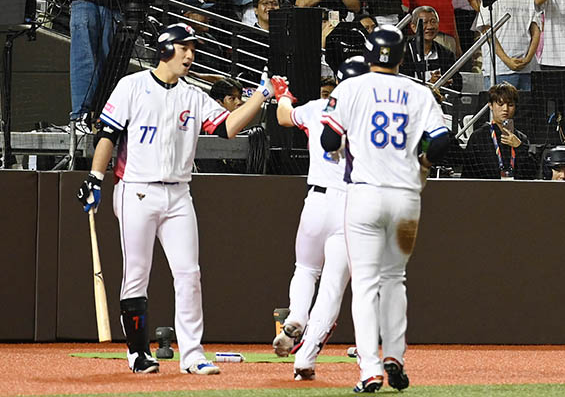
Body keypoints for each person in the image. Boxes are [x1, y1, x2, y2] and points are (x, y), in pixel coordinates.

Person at [76, 23, 288, 374]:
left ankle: (192, 354)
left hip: (179, 193)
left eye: (193, 49)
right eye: (183, 48)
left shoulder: (193, 95)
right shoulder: (132, 86)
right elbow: (108, 134)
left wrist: (261, 96)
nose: (189, 55)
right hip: (137, 190)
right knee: (137, 274)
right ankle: (138, 353)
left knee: (189, 274)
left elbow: (228, 127)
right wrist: (95, 177)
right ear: (164, 50)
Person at [319, 25, 453, 393]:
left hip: (364, 195)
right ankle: (395, 355)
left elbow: (329, 138)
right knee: (395, 279)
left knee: (364, 285)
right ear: (400, 55)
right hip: (406, 197)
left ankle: (370, 370)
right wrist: (423, 158)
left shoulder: (350, 87)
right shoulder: (418, 91)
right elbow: (443, 141)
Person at [273, 56, 371, 380]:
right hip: (351, 205)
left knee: (305, 269)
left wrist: (283, 93)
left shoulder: (318, 107)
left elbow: (284, 117)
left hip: (316, 200)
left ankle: (297, 315)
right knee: (331, 288)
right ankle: (307, 357)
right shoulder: (372, 116)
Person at [471, 0, 541, 89]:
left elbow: (536, 31)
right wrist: (507, 60)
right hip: (499, 69)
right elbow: (487, 32)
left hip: (527, 69)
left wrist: (527, 59)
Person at [461, 82, 537, 179]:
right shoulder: (478, 137)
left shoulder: (521, 138)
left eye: (510, 105)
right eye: (500, 104)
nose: (505, 109)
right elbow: (467, 176)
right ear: (490, 105)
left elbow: (531, 174)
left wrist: (520, 147)